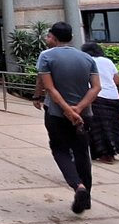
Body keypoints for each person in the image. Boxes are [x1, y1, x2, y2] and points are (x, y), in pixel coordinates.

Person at [33, 21, 100, 214]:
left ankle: (77, 186)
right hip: (84, 114)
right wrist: (78, 108)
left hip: (56, 114)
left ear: (53, 37)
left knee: (59, 149)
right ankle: (86, 196)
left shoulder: (46, 56)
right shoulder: (87, 58)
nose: (47, 39)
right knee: (82, 153)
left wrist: (67, 110)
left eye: (48, 36)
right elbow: (96, 87)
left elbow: (50, 88)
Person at [80, 42, 119, 164]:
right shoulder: (108, 61)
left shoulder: (86, 61)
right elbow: (117, 80)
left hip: (96, 97)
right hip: (113, 97)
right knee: (113, 126)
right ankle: (114, 151)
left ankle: (104, 153)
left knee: (98, 127)